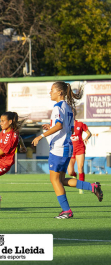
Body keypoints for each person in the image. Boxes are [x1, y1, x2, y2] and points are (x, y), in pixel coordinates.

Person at [31, 81, 103, 219]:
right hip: (67, 147)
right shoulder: (68, 107)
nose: (50, 92)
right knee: (62, 180)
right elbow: (67, 128)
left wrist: (41, 136)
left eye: (52, 90)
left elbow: (59, 126)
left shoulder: (58, 107)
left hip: (58, 148)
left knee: (55, 180)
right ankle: (92, 187)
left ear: (60, 92)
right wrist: (50, 126)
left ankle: (66, 211)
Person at [68, 117, 92, 194]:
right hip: (70, 150)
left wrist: (86, 138)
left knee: (80, 168)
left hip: (80, 149)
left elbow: (89, 133)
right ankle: (74, 175)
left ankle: (81, 187)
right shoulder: (66, 124)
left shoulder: (80, 124)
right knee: (70, 172)